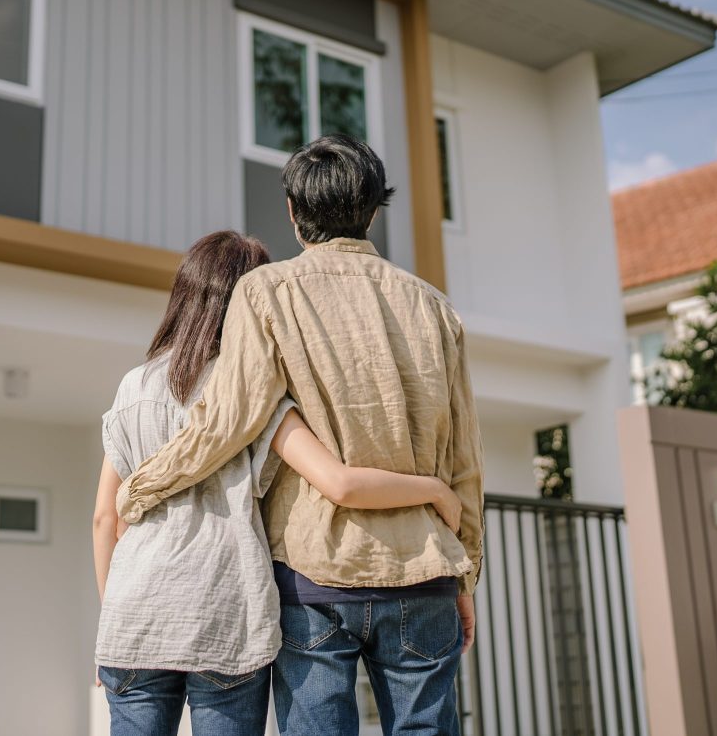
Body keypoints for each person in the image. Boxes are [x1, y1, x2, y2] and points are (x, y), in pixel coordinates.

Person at [117, 135, 483, 736]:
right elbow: (465, 460)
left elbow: (225, 422)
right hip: (425, 572)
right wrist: (464, 571)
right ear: (373, 208)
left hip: (314, 581)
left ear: (292, 212)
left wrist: (141, 487)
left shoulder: (266, 292)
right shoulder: (436, 308)